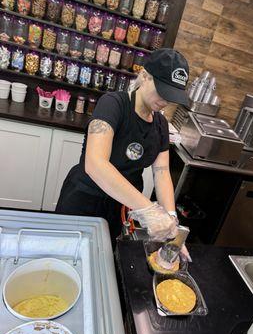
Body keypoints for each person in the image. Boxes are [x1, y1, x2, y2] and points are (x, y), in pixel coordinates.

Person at [56, 48, 190, 248]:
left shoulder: (161, 124)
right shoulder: (113, 104)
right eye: (162, 91)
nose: (165, 101)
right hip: (85, 199)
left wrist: (171, 220)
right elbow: (95, 163)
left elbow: (162, 173)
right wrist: (150, 210)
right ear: (144, 76)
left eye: (171, 96)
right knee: (66, 252)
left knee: (103, 257)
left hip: (121, 206)